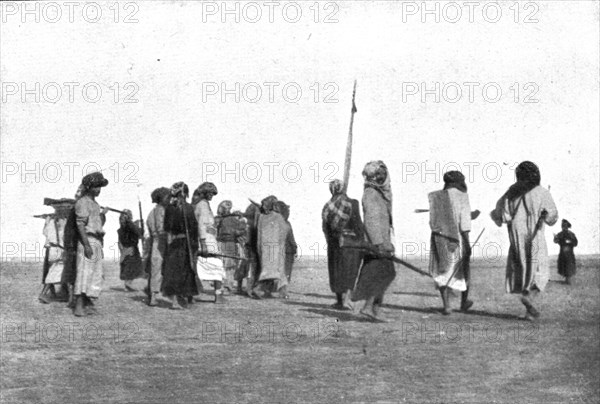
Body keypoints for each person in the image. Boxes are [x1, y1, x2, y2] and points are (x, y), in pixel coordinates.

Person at [491, 161, 558, 320]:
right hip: (534, 234)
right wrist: (544, 216)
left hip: (516, 235)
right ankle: (529, 298)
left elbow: (502, 216)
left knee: (523, 268)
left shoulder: (511, 193)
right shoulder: (542, 192)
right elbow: (552, 216)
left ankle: (529, 312)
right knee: (540, 271)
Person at [428, 171, 480, 315]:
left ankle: (447, 306)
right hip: (457, 238)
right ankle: (463, 303)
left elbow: (432, 222)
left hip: (439, 238)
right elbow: (464, 222)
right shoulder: (463, 196)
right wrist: (467, 243)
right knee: (464, 269)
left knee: (442, 270)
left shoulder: (436, 197)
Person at [352, 161, 396, 322]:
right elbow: (371, 221)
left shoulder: (379, 193)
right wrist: (380, 244)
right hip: (375, 245)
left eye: (383, 174)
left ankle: (374, 309)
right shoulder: (371, 193)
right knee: (384, 274)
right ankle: (369, 307)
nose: (382, 177)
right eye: (378, 174)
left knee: (384, 274)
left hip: (379, 243)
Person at [322, 179, 364, 310]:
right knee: (349, 271)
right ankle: (346, 300)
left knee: (336, 272)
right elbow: (358, 225)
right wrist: (362, 241)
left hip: (334, 245)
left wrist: (331, 240)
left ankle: (340, 301)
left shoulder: (327, 206)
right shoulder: (352, 203)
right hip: (350, 244)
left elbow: (325, 228)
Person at [73, 172, 109, 317]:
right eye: (96, 186)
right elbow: (80, 225)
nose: (98, 189)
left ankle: (88, 303)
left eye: (100, 187)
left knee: (95, 274)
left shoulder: (95, 204)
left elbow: (97, 224)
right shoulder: (82, 202)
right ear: (89, 187)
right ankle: (79, 306)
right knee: (84, 273)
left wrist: (103, 214)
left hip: (96, 241)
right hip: (87, 240)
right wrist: (87, 245)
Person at [163, 182, 200, 310]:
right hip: (186, 243)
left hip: (174, 243)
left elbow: (167, 228)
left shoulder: (169, 208)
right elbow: (194, 228)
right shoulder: (189, 208)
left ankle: (176, 300)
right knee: (185, 270)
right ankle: (182, 298)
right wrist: (195, 246)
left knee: (174, 271)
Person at [194, 182, 226, 303]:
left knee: (211, 267)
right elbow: (202, 225)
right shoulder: (202, 205)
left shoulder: (205, 204)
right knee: (217, 266)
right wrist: (203, 243)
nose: (212, 196)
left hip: (210, 239)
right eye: (210, 193)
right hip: (206, 241)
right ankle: (218, 296)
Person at [38, 199, 74, 304]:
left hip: (51, 250)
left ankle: (65, 294)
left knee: (57, 272)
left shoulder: (51, 220)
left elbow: (45, 233)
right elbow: (65, 237)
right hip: (59, 249)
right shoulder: (63, 222)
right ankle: (43, 294)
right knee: (57, 273)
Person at [256, 195, 289, 298]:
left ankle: (282, 292)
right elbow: (284, 231)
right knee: (272, 271)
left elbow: (259, 235)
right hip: (273, 248)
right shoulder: (277, 217)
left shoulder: (262, 217)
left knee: (272, 270)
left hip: (268, 247)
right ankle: (258, 289)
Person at [143, 187, 170, 306]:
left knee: (155, 269)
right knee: (158, 269)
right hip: (162, 242)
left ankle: (153, 295)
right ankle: (154, 295)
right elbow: (161, 228)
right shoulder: (161, 210)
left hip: (155, 242)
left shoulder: (152, 212)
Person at [215, 200, 247, 294]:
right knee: (230, 266)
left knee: (225, 265)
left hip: (223, 243)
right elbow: (241, 231)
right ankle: (228, 286)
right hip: (230, 243)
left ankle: (225, 286)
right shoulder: (234, 219)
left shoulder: (221, 219)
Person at [118, 209, 146, 291]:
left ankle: (128, 284)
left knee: (129, 266)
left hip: (126, 249)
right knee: (131, 267)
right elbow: (139, 233)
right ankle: (128, 284)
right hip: (131, 248)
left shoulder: (122, 228)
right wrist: (140, 227)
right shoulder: (130, 226)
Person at [275, 200, 297, 297]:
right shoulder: (286, 223)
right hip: (288, 251)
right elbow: (291, 238)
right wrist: (295, 248)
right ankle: (282, 292)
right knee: (286, 271)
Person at [241, 202, 262, 299]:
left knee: (252, 270)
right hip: (253, 249)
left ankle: (249, 288)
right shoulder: (252, 225)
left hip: (251, 248)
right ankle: (250, 289)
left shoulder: (248, 224)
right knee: (252, 270)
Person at [554, 219, 578, 285]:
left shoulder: (571, 234)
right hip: (562, 253)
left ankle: (568, 280)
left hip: (569, 253)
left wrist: (569, 242)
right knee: (563, 266)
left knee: (569, 266)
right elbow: (555, 241)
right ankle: (566, 280)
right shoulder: (560, 234)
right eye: (563, 226)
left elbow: (575, 243)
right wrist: (555, 238)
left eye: (565, 227)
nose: (564, 228)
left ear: (567, 227)